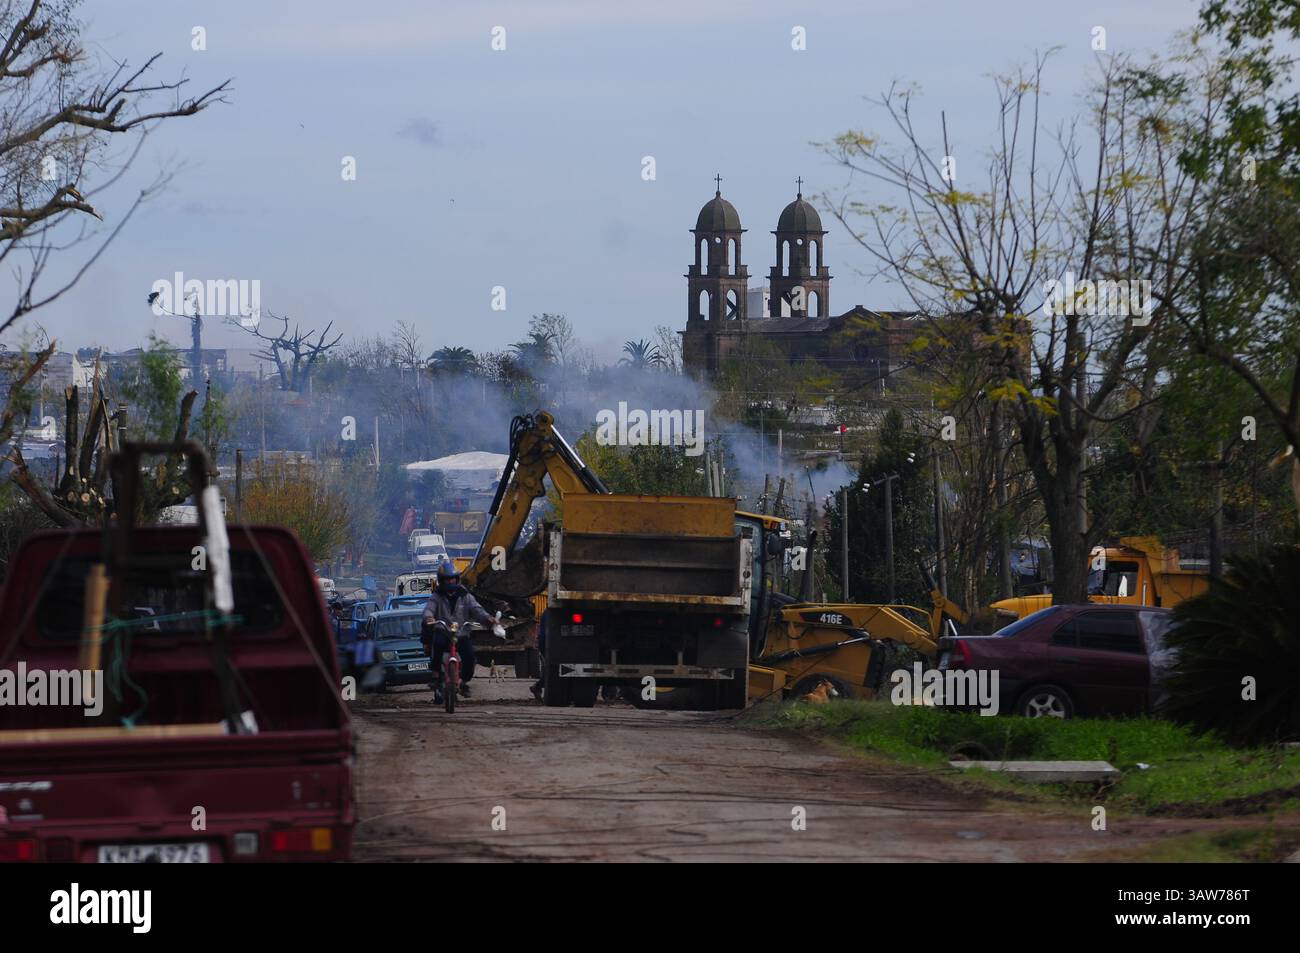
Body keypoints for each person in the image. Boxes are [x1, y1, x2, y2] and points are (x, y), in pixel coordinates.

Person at [421, 561, 504, 702]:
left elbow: (477, 610)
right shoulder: (437, 596)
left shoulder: (465, 595)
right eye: (447, 579)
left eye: (452, 578)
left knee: (470, 657)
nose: (450, 581)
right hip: (443, 632)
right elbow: (429, 608)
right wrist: (429, 617)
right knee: (437, 644)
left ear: (457, 579)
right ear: (441, 580)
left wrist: (488, 618)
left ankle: (464, 682)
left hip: (461, 634)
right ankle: (436, 675)